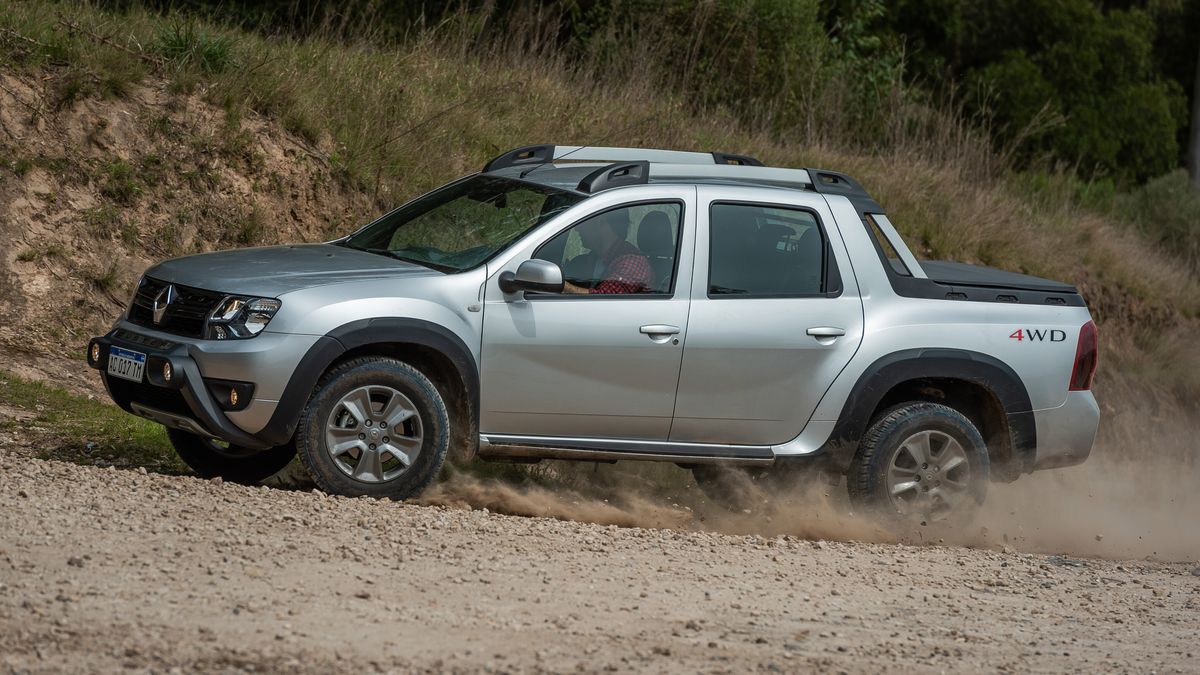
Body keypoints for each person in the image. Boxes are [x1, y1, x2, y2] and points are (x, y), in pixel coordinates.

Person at [562, 210, 653, 295]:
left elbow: (602, 301)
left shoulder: (633, 263)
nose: (577, 228)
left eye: (584, 221)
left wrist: (561, 285)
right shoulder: (593, 259)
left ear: (600, 222)